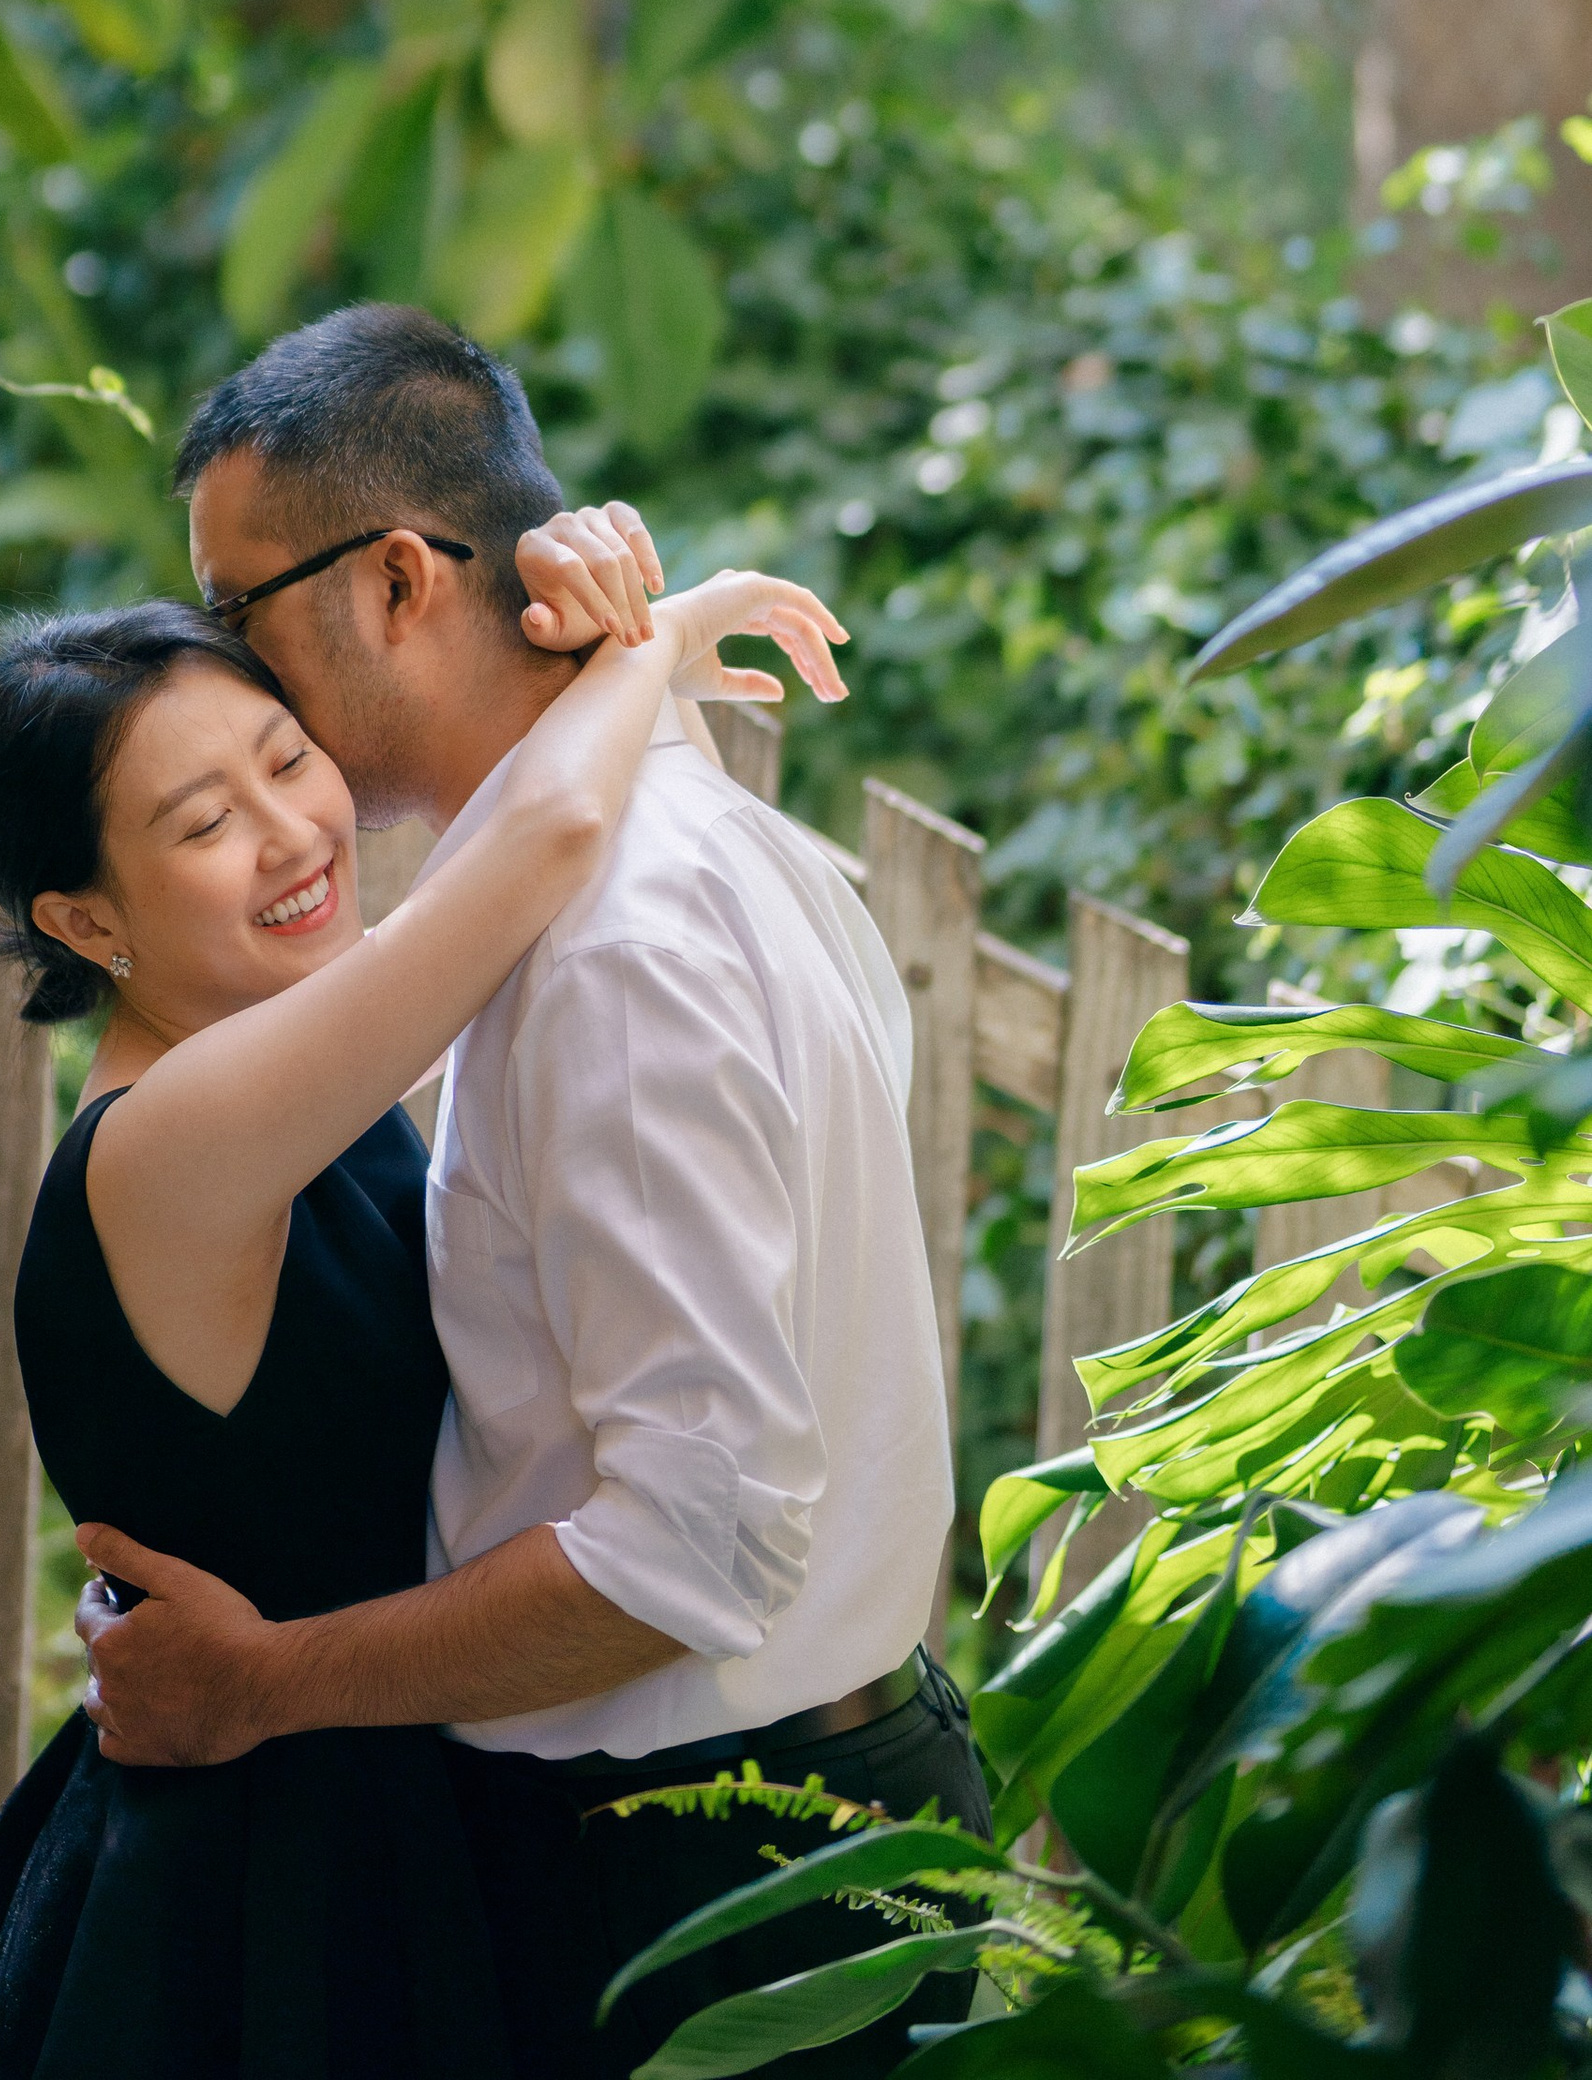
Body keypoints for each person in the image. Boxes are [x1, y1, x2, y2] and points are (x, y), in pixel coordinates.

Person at [75, 304, 986, 2080]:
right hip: (786, 1811)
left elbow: (690, 1543)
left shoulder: (615, 956)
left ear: (402, 579)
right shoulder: (687, 842)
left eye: (237, 613)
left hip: (700, 1886)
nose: (226, 674)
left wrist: (266, 1681)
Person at [0, 546, 806, 2080]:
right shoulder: (173, 1141)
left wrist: (557, 586)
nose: (294, 831)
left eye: (289, 758)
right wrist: (662, 629)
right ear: (89, 923)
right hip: (257, 1896)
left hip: (368, 1813)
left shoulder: (284, 1052)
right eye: (205, 823)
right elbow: (549, 829)